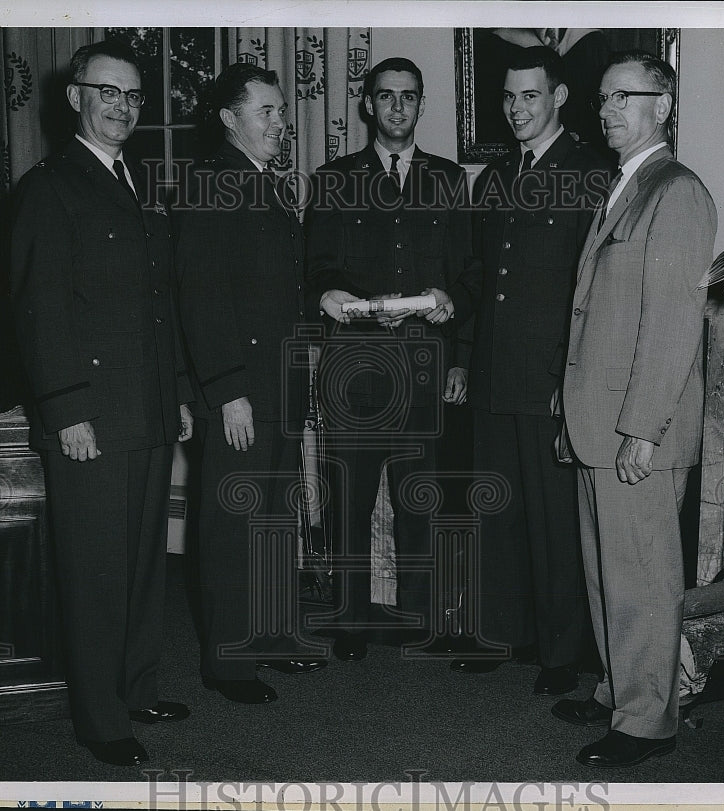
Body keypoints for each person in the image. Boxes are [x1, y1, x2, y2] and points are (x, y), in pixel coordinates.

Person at [9, 39, 194, 767]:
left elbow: (159, 304)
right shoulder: (49, 187)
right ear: (75, 97)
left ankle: (137, 686)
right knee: (94, 572)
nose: (122, 106)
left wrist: (177, 391)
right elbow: (38, 312)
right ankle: (98, 715)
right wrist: (65, 409)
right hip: (88, 414)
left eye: (133, 95)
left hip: (145, 408)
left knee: (144, 562)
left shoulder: (136, 180)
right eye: (107, 92)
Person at [551, 50, 717, 768]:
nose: (609, 109)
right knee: (606, 570)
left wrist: (643, 429)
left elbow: (674, 324)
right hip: (599, 417)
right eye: (604, 98)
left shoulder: (675, 191)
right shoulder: (626, 185)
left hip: (637, 427)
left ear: (664, 105)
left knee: (644, 574)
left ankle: (648, 718)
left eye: (627, 96)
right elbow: (599, 312)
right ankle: (621, 686)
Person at [305, 57, 481, 661]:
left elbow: (468, 273)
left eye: (408, 97)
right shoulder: (334, 178)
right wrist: (328, 293)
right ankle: (351, 621)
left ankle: (420, 618)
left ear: (421, 104)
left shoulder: (450, 180)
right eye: (386, 97)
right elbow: (315, 267)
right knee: (350, 497)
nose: (397, 108)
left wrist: (458, 354)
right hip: (355, 365)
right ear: (368, 106)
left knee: (418, 496)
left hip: (426, 365)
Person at [456, 47, 611, 694]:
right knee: (495, 512)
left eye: (530, 96)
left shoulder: (591, 173)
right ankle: (502, 634)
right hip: (493, 375)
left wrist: (567, 380)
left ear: (559, 98)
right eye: (509, 97)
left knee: (553, 523)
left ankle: (560, 651)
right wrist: (463, 360)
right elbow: (475, 277)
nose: (517, 109)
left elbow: (592, 290)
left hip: (549, 381)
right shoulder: (492, 178)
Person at [174, 63, 327, 706]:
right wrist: (228, 389)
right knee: (234, 523)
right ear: (229, 119)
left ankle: (272, 634)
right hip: (240, 392)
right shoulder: (213, 183)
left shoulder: (262, 184)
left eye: (282, 111)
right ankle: (228, 662)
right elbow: (202, 297)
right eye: (266, 112)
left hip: (276, 385)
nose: (281, 123)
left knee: (270, 520)